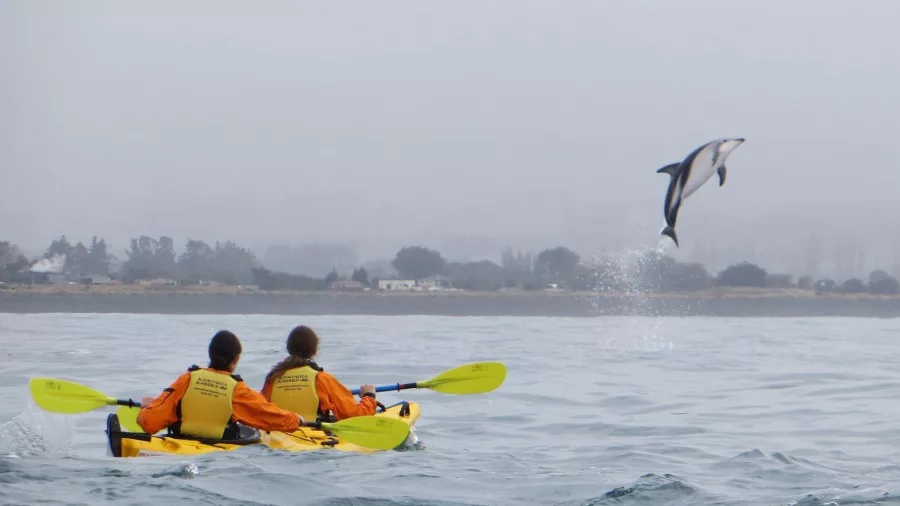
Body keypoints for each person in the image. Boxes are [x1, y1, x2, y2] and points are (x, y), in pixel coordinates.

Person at [136, 330, 304, 440]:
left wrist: (148, 408)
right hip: (220, 455)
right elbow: (269, 416)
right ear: (236, 359)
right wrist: (297, 420)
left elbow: (149, 423)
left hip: (181, 444)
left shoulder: (187, 379)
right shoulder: (237, 389)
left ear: (210, 353)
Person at [261, 325, 377, 422]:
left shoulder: (273, 378)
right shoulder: (321, 379)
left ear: (289, 349)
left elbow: (260, 410)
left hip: (279, 435)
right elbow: (353, 415)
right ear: (315, 350)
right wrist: (369, 397)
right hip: (314, 436)